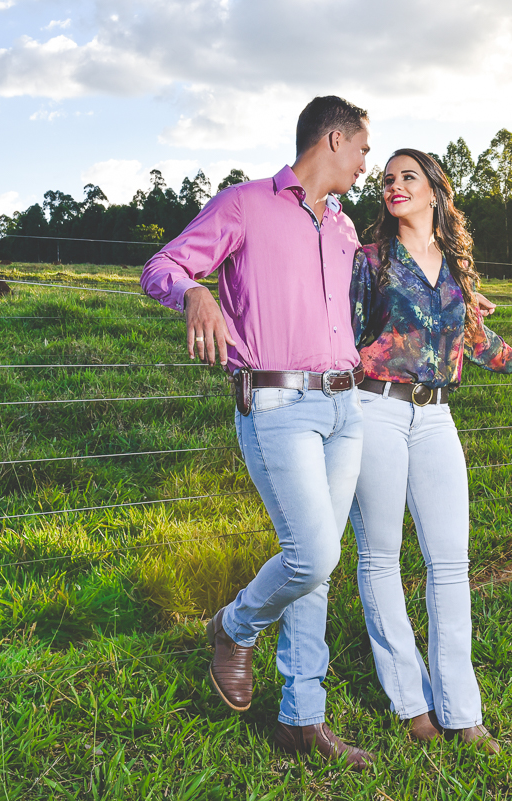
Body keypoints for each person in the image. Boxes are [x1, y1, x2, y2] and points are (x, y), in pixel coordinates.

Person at [140, 96, 375, 768]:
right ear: (333, 139)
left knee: (317, 572)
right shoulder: (245, 203)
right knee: (313, 555)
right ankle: (233, 625)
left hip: (343, 408)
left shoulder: (342, 226)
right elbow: (162, 266)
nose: (366, 162)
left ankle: (302, 719)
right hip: (277, 407)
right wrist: (195, 290)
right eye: (362, 148)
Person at [348, 148, 512, 754]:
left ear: (435, 190)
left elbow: (476, 343)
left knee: (451, 563)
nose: (392, 185)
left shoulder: (458, 270)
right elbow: (342, 334)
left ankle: (463, 711)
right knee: (381, 557)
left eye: (407, 176)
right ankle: (411, 701)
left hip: (436, 418)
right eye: (386, 179)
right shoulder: (371, 260)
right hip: (375, 407)